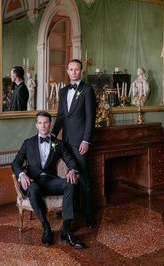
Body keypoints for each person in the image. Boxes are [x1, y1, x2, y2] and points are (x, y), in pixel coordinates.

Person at [12, 111, 85, 248]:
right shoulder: (28, 143)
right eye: (40, 123)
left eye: (46, 122)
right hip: (32, 181)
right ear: (36, 125)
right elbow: (15, 163)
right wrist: (22, 174)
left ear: (50, 124)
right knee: (33, 189)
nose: (43, 126)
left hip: (50, 181)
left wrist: (72, 170)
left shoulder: (58, 143)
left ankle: (66, 230)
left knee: (70, 184)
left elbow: (70, 160)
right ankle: (46, 227)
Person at [51, 59, 97, 228]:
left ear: (81, 71)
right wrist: (53, 135)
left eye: (76, 69)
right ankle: (73, 213)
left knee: (84, 178)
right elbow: (61, 117)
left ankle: (89, 216)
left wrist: (86, 140)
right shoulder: (63, 92)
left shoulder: (87, 90)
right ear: (67, 71)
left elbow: (90, 119)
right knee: (70, 177)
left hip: (80, 143)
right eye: (71, 69)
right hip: (66, 142)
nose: (73, 72)